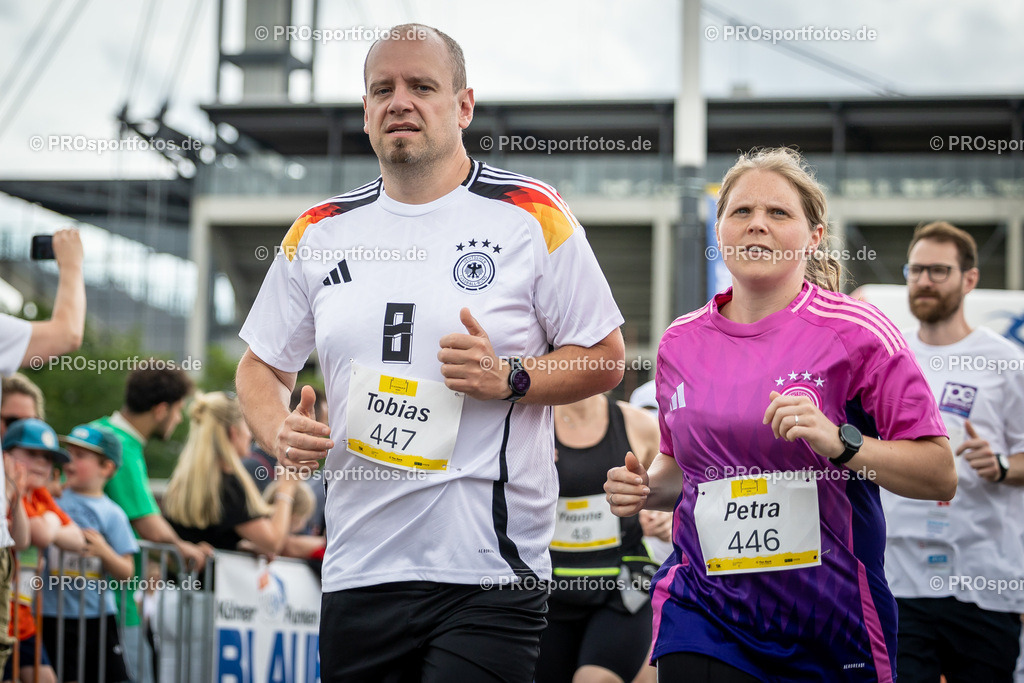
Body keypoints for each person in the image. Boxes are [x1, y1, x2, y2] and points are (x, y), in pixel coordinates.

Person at [235, 23, 624, 682]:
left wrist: (512, 376)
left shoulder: (531, 213)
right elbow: (261, 365)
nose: (400, 102)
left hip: (488, 568)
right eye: (381, 89)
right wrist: (279, 430)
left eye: (422, 86)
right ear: (365, 112)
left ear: (463, 105)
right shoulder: (319, 230)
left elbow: (605, 355)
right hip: (359, 566)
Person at [604, 147, 957, 683]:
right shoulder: (680, 341)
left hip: (829, 622)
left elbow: (939, 472)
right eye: (741, 212)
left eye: (778, 213)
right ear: (719, 229)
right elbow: (682, 473)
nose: (757, 226)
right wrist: (644, 488)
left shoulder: (857, 332)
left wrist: (842, 442)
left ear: (814, 236)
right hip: (704, 611)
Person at [878, 221, 1024, 682]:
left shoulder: (1004, 362)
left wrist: (1001, 466)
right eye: (916, 270)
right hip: (900, 577)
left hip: (983, 581)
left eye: (939, 271)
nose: (924, 281)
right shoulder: (887, 357)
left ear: (970, 279)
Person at [90, 366, 209, 683]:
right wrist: (183, 549)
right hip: (110, 602)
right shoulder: (121, 444)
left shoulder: (99, 431)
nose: (179, 419)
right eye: (178, 410)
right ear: (161, 410)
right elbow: (148, 526)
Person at [0, 228, 85, 672]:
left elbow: (70, 536)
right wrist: (71, 263)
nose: (32, 458)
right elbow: (68, 334)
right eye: (14, 431)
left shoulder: (32, 492)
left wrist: (43, 516)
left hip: (24, 616)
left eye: (45, 456)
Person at [534, 393, 659, 683]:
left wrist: (662, 516)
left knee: (596, 680)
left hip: (623, 585)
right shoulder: (529, 425)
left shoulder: (639, 424)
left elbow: (668, 488)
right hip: (549, 589)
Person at [41, 424, 137, 683]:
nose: (70, 462)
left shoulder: (112, 513)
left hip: (95, 617)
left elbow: (128, 572)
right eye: (69, 452)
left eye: (81, 456)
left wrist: (104, 552)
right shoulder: (52, 499)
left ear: (106, 468)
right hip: (51, 613)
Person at [163, 392, 299, 555]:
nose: (250, 434)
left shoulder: (181, 481)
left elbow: (209, 536)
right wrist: (286, 487)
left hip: (180, 580)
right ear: (233, 432)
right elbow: (274, 543)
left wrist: (237, 546)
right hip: (215, 580)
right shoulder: (228, 487)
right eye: (247, 426)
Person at [3, 418, 86, 683]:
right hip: (5, 612)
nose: (41, 463)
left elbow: (77, 538)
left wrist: (49, 523)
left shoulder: (39, 495)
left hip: (24, 616)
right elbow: (32, 537)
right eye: (31, 454)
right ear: (6, 454)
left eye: (47, 458)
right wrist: (50, 523)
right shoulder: (6, 492)